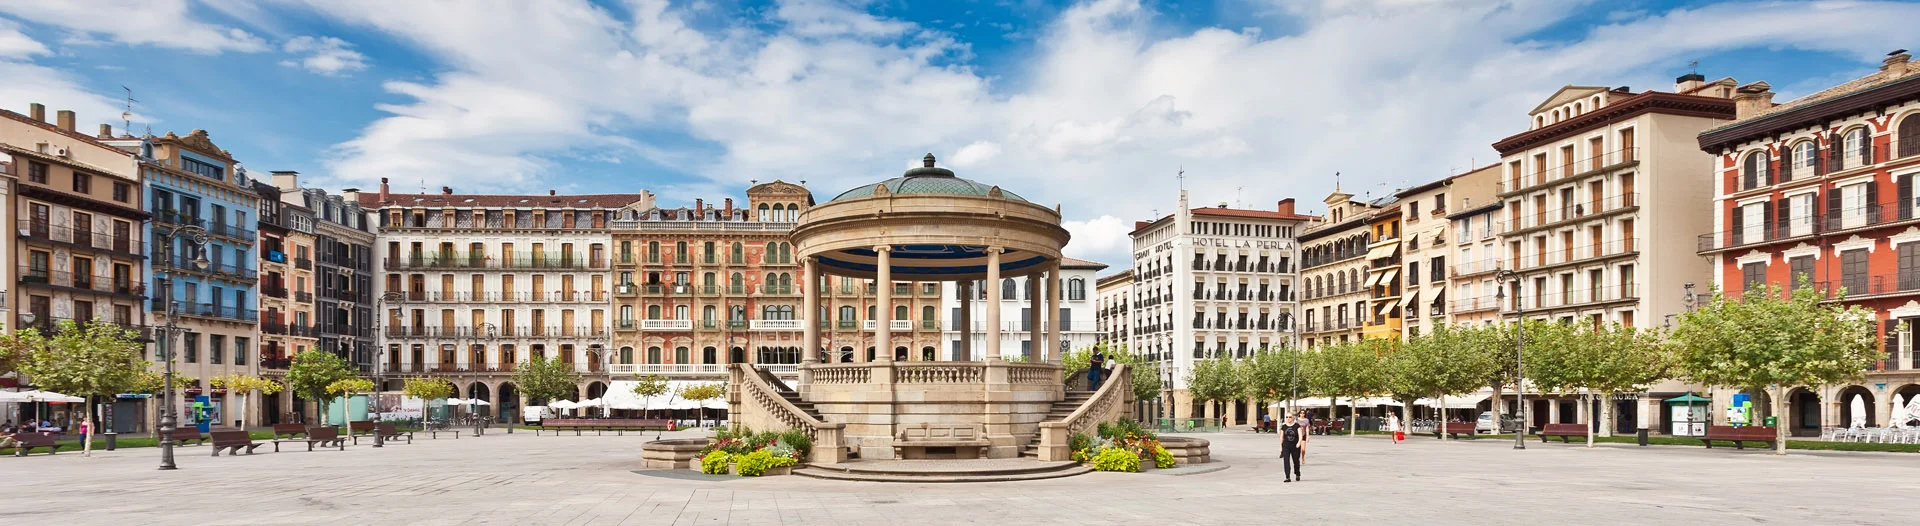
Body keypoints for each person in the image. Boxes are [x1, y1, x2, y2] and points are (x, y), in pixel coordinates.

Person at [1280, 414, 1304, 482]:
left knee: (1296, 460)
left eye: (1290, 417)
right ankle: (1287, 476)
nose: (1288, 418)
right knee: (1286, 461)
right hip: (1286, 445)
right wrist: (1280, 447)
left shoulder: (1297, 426)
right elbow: (1281, 437)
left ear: (1293, 418)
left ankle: (1297, 473)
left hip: (1295, 445)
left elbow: (1300, 435)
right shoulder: (1284, 426)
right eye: (1287, 417)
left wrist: (1299, 442)